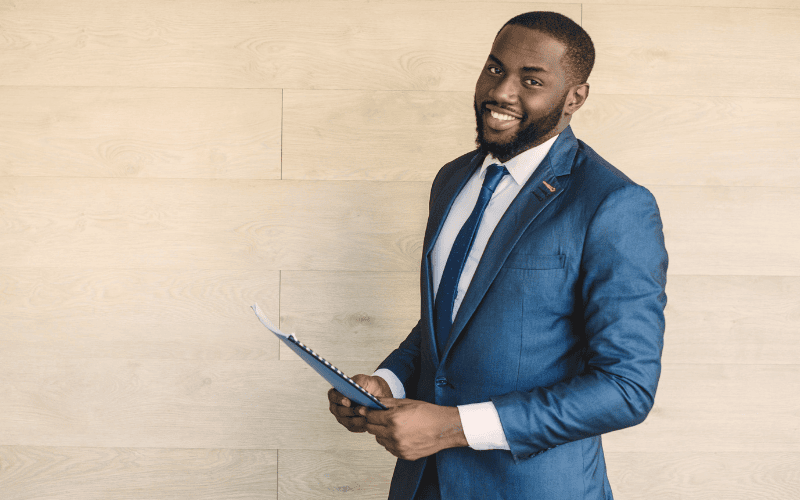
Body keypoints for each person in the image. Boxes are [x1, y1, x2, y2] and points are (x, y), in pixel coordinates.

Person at [328, 11, 668, 500]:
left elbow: (625, 387)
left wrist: (453, 427)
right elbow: (451, 320)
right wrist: (388, 383)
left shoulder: (614, 205)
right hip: (423, 484)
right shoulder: (452, 179)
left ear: (575, 97)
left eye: (531, 80)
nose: (502, 92)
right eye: (494, 69)